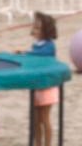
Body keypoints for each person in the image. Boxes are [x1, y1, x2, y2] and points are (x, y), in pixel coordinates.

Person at [27, 12, 58, 146]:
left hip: (47, 86)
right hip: (37, 85)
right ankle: (38, 143)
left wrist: (26, 54)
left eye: (38, 28)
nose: (34, 30)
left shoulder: (49, 45)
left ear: (46, 31)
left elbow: (41, 55)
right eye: (34, 27)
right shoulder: (36, 44)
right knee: (36, 120)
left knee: (45, 118)